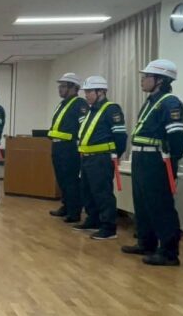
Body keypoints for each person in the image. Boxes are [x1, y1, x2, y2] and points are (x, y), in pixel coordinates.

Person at [121, 60, 183, 266]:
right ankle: (146, 243)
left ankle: (168, 252)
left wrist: (171, 157)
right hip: (141, 158)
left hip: (157, 160)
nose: (142, 80)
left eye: (146, 77)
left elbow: (178, 138)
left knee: (160, 206)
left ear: (160, 80)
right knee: (142, 204)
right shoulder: (151, 101)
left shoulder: (170, 103)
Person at [74, 76, 128, 240]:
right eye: (86, 91)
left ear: (101, 92)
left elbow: (120, 136)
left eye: (89, 91)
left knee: (102, 193)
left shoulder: (111, 109)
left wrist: (115, 155)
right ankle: (93, 219)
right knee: (87, 191)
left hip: (102, 158)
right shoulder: (91, 110)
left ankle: (108, 227)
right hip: (87, 158)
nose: (86, 95)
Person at [47, 73, 86, 223]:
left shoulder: (79, 103)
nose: (60, 89)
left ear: (73, 88)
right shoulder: (62, 104)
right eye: (60, 86)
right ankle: (66, 206)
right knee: (61, 179)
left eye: (63, 86)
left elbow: (83, 126)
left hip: (70, 148)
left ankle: (74, 211)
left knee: (71, 180)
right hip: (58, 146)